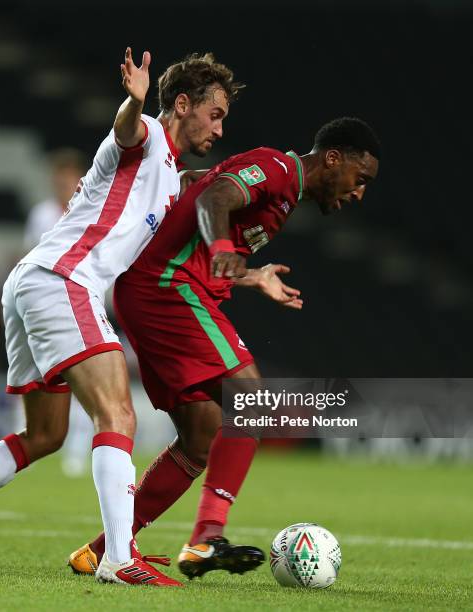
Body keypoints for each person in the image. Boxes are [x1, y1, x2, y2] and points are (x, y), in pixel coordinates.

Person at [0, 48, 242, 588]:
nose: (220, 127)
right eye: (215, 113)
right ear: (182, 104)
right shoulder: (148, 133)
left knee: (45, 433)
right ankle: (117, 557)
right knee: (118, 417)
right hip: (63, 282)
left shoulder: (172, 178)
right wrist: (132, 101)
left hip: (33, 282)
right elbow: (127, 129)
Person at [68, 117, 380, 579]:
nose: (359, 193)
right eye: (360, 179)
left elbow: (200, 185)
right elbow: (215, 197)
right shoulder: (275, 168)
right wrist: (218, 245)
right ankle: (207, 538)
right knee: (252, 405)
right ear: (333, 158)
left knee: (200, 438)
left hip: (154, 293)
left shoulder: (284, 194)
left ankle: (99, 550)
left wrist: (252, 276)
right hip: (168, 288)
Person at [23, 148, 94, 478]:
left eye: (68, 177)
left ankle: (77, 453)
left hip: (82, 306)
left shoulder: (88, 211)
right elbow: (28, 257)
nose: (63, 183)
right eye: (59, 177)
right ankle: (28, 441)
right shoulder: (41, 215)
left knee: (83, 385)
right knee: (36, 380)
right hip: (43, 307)